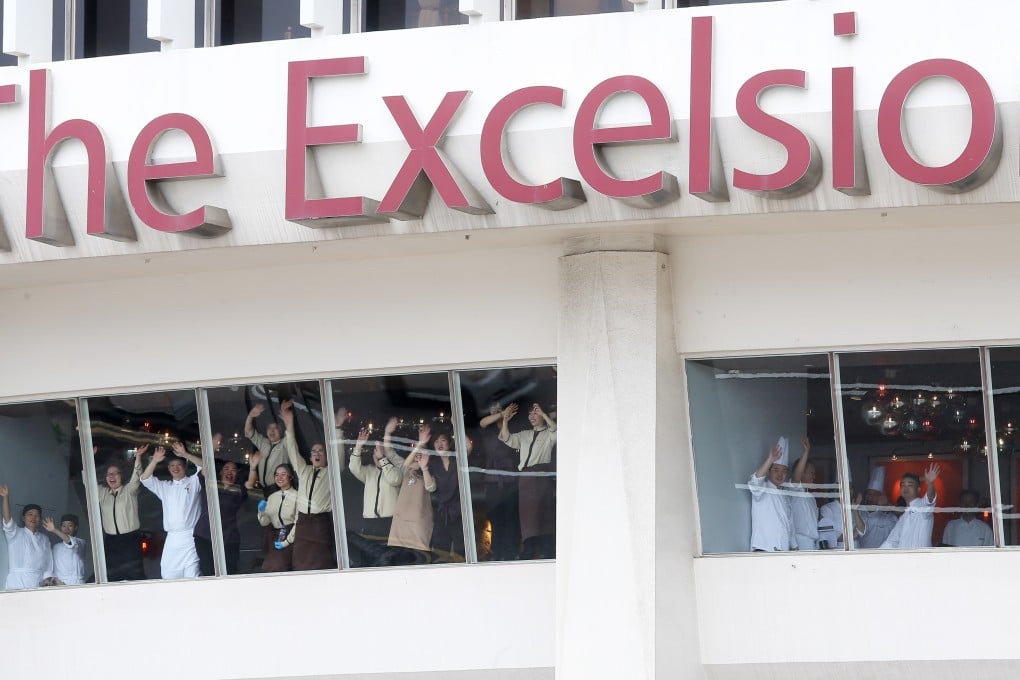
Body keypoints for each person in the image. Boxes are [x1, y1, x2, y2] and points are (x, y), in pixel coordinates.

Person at [281, 400, 336, 570]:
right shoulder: (303, 470)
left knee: (321, 564)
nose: (317, 454)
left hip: (320, 525)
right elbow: (292, 450)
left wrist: (337, 429)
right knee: (300, 565)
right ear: (310, 457)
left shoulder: (331, 473)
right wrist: (289, 425)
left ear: (327, 456)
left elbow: (339, 458)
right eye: (314, 452)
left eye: (321, 451)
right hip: (303, 524)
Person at [499, 402, 557, 559]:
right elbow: (507, 438)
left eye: (535, 413)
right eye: (530, 413)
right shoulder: (525, 434)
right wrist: (505, 420)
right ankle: (529, 548)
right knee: (527, 516)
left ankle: (546, 549)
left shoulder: (549, 434)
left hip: (541, 477)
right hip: (525, 478)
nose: (531, 416)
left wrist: (545, 414)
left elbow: (556, 430)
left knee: (544, 513)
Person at [140, 443, 204, 579]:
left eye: (179, 465)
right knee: (168, 575)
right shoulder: (165, 487)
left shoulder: (194, 482)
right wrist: (155, 461)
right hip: (172, 539)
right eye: (172, 466)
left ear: (185, 467)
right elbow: (145, 479)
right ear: (168, 468)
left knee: (193, 577)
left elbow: (205, 466)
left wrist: (185, 454)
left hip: (190, 538)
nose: (175, 468)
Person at [384, 417, 436, 563]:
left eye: (423, 452)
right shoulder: (407, 469)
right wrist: (387, 432)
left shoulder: (431, 471)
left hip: (419, 527)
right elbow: (390, 453)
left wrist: (424, 467)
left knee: (420, 565)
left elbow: (431, 487)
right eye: (417, 452)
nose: (419, 455)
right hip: (400, 527)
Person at [348, 426, 402, 558]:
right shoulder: (369, 471)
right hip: (370, 522)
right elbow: (353, 467)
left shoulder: (395, 470)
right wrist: (359, 446)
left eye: (380, 452)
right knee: (369, 558)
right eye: (375, 452)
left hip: (389, 522)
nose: (377, 455)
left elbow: (395, 479)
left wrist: (383, 459)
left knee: (389, 558)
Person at [477, 403, 521, 561]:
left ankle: (511, 553)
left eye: (499, 410)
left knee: (511, 518)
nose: (497, 413)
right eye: (494, 411)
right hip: (493, 482)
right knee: (496, 519)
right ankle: (497, 552)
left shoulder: (510, 427)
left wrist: (505, 419)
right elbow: (482, 422)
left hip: (509, 479)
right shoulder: (487, 430)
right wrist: (501, 413)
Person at [95, 446, 146, 581]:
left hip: (130, 540)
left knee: (135, 576)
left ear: (121, 476)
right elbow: (88, 482)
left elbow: (136, 476)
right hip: (111, 541)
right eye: (109, 474)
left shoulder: (129, 490)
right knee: (111, 576)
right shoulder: (102, 493)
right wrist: (91, 458)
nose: (112, 476)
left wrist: (138, 457)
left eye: (115, 473)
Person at [193, 452, 249, 576]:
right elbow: (205, 467)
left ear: (237, 474)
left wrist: (254, 467)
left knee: (230, 572)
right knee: (208, 571)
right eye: (226, 468)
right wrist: (185, 453)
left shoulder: (239, 490)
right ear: (220, 472)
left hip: (229, 538)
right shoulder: (210, 484)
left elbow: (250, 483)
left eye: (234, 470)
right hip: (205, 536)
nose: (230, 472)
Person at [0, 485, 53, 589]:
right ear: (23, 518)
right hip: (17, 582)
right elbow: (8, 521)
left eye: (37, 515)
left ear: (40, 519)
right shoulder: (16, 533)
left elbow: (48, 563)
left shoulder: (45, 539)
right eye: (30, 514)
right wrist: (5, 497)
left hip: (38, 582)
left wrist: (47, 582)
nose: (34, 518)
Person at [748, 437, 795, 551]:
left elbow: (790, 525)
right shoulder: (762, 488)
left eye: (784, 471)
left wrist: (795, 547)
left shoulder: (785, 496)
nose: (780, 474)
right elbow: (755, 481)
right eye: (776, 470)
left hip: (783, 550)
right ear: (768, 471)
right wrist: (770, 459)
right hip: (764, 548)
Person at [880, 464, 941, 549]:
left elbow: (930, 498)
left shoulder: (922, 506)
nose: (905, 488)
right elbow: (891, 542)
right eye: (903, 485)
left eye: (910, 485)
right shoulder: (904, 516)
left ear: (918, 489)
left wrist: (930, 483)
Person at [428, 430, 464, 561]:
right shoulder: (432, 463)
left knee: (462, 550)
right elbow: (408, 466)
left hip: (459, 511)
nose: (439, 444)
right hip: (441, 512)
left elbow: (469, 447)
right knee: (440, 551)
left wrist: (456, 425)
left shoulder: (458, 459)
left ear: (450, 443)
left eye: (442, 440)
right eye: (436, 441)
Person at [257, 464, 300, 572]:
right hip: (274, 536)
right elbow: (264, 522)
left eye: (283, 474)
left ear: (291, 477)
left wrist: (287, 541)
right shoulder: (272, 497)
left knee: (277, 566)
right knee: (270, 567)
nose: (279, 478)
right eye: (276, 475)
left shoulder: (297, 496)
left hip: (291, 535)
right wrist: (261, 511)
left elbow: (298, 522)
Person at [245, 402, 289, 493]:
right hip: (263, 490)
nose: (272, 431)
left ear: (281, 430)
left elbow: (290, 434)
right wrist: (250, 416)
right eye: (269, 428)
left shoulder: (285, 444)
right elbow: (249, 432)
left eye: (275, 428)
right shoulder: (263, 442)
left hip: (279, 490)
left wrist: (287, 418)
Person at [852, 467, 898, 549]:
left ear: (881, 496)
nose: (870, 497)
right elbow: (854, 535)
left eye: (874, 495)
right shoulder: (859, 514)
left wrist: (888, 505)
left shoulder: (890, 517)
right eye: (869, 494)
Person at [789, 437, 819, 550]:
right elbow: (796, 477)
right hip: (799, 542)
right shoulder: (794, 491)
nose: (814, 477)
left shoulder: (811, 497)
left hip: (813, 542)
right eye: (811, 473)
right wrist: (806, 452)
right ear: (802, 473)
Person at [43, 514, 88, 585]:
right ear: (61, 527)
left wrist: (54, 530)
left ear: (76, 527)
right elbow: (51, 566)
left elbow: (70, 542)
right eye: (64, 526)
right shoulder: (56, 547)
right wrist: (52, 579)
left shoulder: (81, 542)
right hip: (59, 585)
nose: (66, 529)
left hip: (76, 584)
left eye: (70, 526)